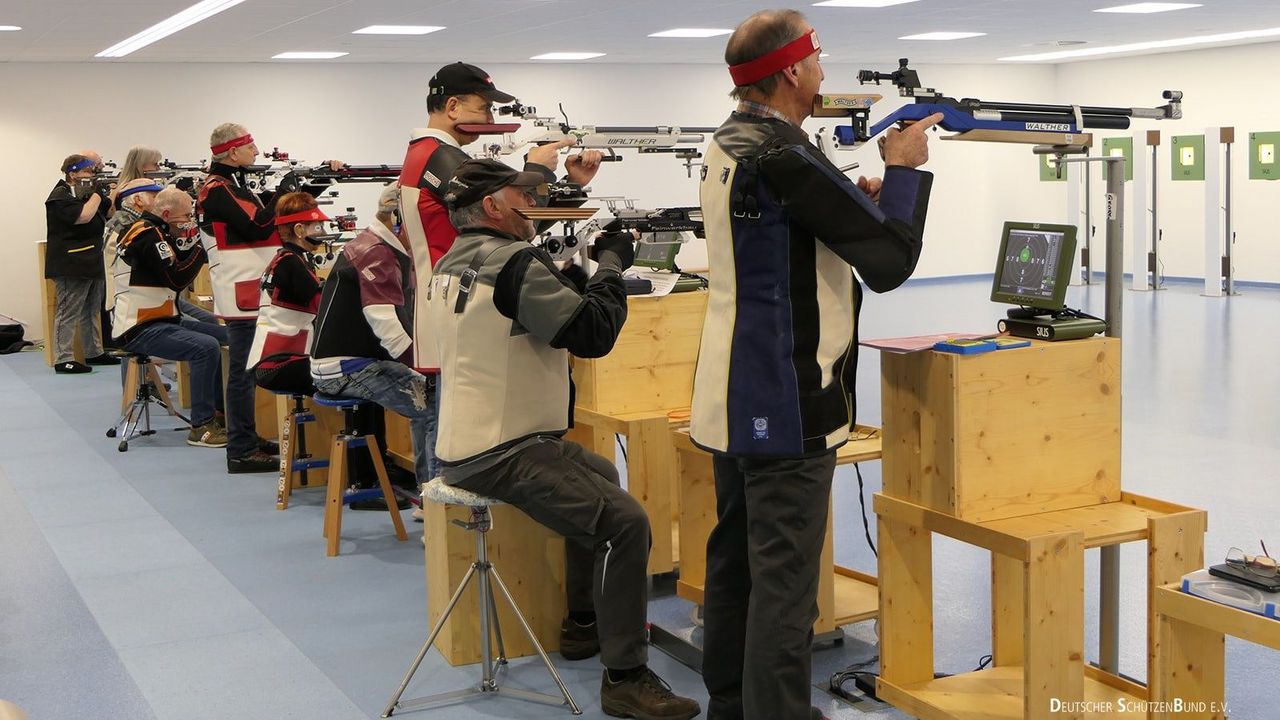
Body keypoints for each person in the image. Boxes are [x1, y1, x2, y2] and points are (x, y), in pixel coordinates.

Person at [689, 11, 941, 720]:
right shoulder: (784, 153)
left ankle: (733, 705)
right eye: (818, 59)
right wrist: (901, 174)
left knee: (737, 560)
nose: (825, 71)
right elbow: (889, 263)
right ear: (793, 71)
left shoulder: (733, 142)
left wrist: (854, 200)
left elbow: (792, 227)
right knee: (785, 580)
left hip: (731, 391)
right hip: (787, 395)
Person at [426, 158, 701, 720]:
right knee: (626, 523)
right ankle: (625, 679)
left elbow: (515, 317)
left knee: (598, 474)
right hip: (502, 450)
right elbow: (591, 334)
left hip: (472, 439)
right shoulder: (512, 261)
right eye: (521, 195)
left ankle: (584, 625)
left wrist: (572, 277)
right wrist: (610, 268)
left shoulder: (456, 259)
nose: (534, 203)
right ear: (494, 206)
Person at [198, 124, 338, 472]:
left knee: (247, 371)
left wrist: (313, 182)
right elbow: (262, 225)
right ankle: (240, 448)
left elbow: (281, 218)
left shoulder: (232, 186)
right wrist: (284, 189)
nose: (256, 152)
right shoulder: (218, 189)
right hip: (242, 292)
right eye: (250, 146)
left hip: (248, 289)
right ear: (233, 152)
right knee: (244, 373)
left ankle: (245, 437)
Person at [310, 183, 436, 491]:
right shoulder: (377, 253)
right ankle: (435, 502)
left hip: (345, 362)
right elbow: (388, 329)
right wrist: (428, 366)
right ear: (399, 219)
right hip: (346, 368)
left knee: (429, 397)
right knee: (434, 407)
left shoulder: (376, 244)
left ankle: (426, 487)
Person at [112, 188, 228, 448]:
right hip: (138, 328)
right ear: (166, 214)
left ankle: (221, 413)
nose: (189, 220)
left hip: (162, 320)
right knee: (206, 347)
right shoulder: (147, 236)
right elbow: (177, 278)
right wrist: (202, 248)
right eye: (186, 215)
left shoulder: (158, 231)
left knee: (229, 336)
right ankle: (201, 426)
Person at [45, 152, 119, 373]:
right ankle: (63, 358)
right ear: (72, 173)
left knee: (91, 310)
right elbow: (84, 216)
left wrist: (115, 191)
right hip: (70, 263)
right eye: (88, 171)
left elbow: (111, 213)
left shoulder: (87, 194)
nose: (92, 175)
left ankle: (94, 352)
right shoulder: (60, 196)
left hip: (91, 260)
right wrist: (98, 192)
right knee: (68, 311)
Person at [247, 192, 326, 396]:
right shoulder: (291, 263)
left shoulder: (287, 258)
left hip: (273, 360)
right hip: (279, 361)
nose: (322, 231)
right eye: (317, 226)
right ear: (299, 229)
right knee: (354, 377)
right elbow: (325, 306)